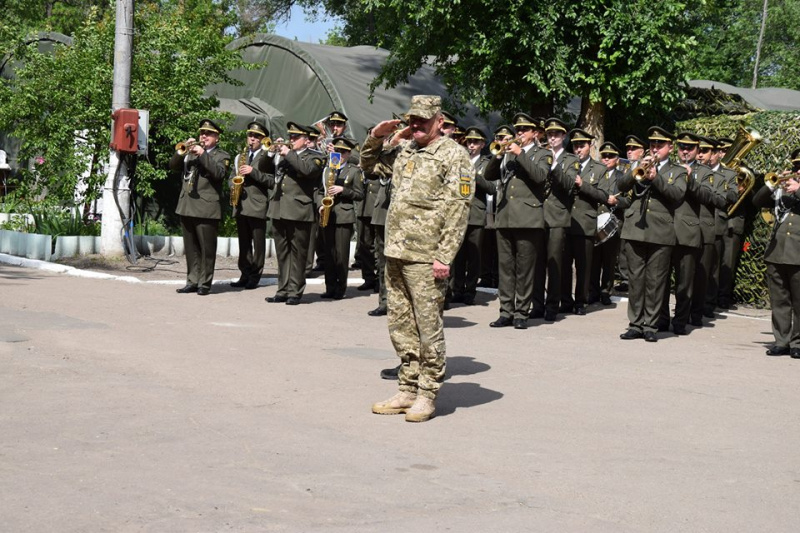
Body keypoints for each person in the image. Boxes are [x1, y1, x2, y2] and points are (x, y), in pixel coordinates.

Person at [362, 95, 473, 423]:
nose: (417, 126)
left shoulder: (454, 155)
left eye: (423, 121)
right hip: (396, 250)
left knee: (427, 326)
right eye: (413, 120)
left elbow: (459, 207)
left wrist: (444, 255)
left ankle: (427, 393)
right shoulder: (406, 149)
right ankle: (407, 387)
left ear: (439, 121)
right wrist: (376, 137)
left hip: (427, 256)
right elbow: (369, 165)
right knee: (400, 323)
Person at [617, 126, 688, 342]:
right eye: (653, 145)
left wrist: (656, 178)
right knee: (636, 280)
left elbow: (677, 195)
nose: (655, 149)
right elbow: (620, 185)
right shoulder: (639, 165)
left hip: (660, 231)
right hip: (635, 229)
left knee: (656, 281)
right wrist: (636, 170)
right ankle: (635, 324)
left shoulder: (678, 171)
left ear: (670, 147)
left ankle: (651, 325)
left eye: (660, 145)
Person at [485, 114, 551, 330]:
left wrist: (520, 153)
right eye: (518, 129)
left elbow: (540, 176)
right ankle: (506, 311)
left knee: (524, 268)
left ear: (535, 133)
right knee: (505, 268)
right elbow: (488, 176)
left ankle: (521, 312)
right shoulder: (507, 152)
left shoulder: (543, 153)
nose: (519, 132)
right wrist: (497, 155)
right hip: (504, 217)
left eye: (524, 129)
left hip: (528, 218)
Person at [266, 122, 325, 305]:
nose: (291, 140)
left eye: (295, 137)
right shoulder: (283, 156)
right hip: (279, 208)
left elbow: (306, 171)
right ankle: (282, 290)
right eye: (290, 136)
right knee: (282, 253)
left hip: (299, 210)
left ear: (306, 140)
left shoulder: (315, 157)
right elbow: (263, 168)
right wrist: (270, 153)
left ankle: (295, 291)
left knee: (298, 254)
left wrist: (288, 153)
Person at [170, 119, 231, 296]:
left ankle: (204, 283)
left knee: (206, 248)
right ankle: (192, 280)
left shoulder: (222, 155)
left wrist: (203, 153)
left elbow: (218, 173)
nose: (203, 136)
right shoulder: (190, 153)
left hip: (206, 208)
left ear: (217, 138)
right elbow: (173, 166)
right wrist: (181, 152)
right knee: (191, 248)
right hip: (187, 205)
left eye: (208, 134)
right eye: (202, 133)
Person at [752, 152, 800, 357]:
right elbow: (757, 201)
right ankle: (782, 340)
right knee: (779, 300)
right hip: (777, 252)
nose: (797, 172)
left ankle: (798, 343)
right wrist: (773, 184)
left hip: (798, 253)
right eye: (796, 167)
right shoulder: (784, 190)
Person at [561, 128, 608, 315]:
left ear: (590, 146)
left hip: (585, 222)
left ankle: (580, 301)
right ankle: (565, 300)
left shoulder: (599, 169)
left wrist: (583, 185)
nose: (578, 149)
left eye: (582, 145)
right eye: (575, 145)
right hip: (565, 220)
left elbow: (603, 195)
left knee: (583, 266)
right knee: (564, 265)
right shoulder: (565, 164)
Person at [536, 117, 578, 321]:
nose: (552, 138)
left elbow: (570, 184)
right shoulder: (539, 155)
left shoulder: (570, 160)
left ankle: (552, 306)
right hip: (537, 215)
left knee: (554, 263)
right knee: (536, 262)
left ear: (563, 136)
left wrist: (553, 165)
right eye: (549, 134)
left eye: (556, 134)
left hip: (558, 216)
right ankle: (536, 304)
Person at [451, 127, 495, 306]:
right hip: (459, 213)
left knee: (474, 256)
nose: (471, 145)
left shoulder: (486, 163)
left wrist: (474, 175)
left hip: (476, 213)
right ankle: (457, 290)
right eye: (469, 141)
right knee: (458, 256)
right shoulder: (460, 160)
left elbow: (492, 188)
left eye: (476, 142)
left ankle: (470, 291)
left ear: (483, 144)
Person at [230, 120, 274, 290]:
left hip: (257, 205)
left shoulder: (267, 157)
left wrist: (253, 172)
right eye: (250, 135)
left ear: (263, 139)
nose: (252, 139)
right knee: (244, 243)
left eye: (256, 136)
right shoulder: (239, 157)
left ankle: (255, 275)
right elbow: (231, 177)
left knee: (258, 244)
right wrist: (232, 185)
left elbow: (271, 181)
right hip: (240, 204)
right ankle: (245, 273)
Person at [319, 137, 364, 299]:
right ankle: (329, 287)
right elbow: (319, 191)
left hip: (344, 216)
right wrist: (320, 205)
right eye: (336, 151)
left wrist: (342, 190)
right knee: (329, 254)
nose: (339, 154)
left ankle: (340, 288)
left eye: (342, 152)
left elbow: (359, 195)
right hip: (328, 215)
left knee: (341, 254)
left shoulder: (353, 171)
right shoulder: (327, 170)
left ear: (348, 154)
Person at [591, 142, 631, 305]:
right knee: (594, 260)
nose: (606, 159)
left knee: (609, 260)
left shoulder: (622, 176)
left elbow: (629, 200)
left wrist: (617, 201)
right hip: (595, 221)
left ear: (617, 159)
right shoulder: (595, 173)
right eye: (604, 156)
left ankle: (606, 291)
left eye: (610, 156)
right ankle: (592, 291)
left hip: (613, 223)